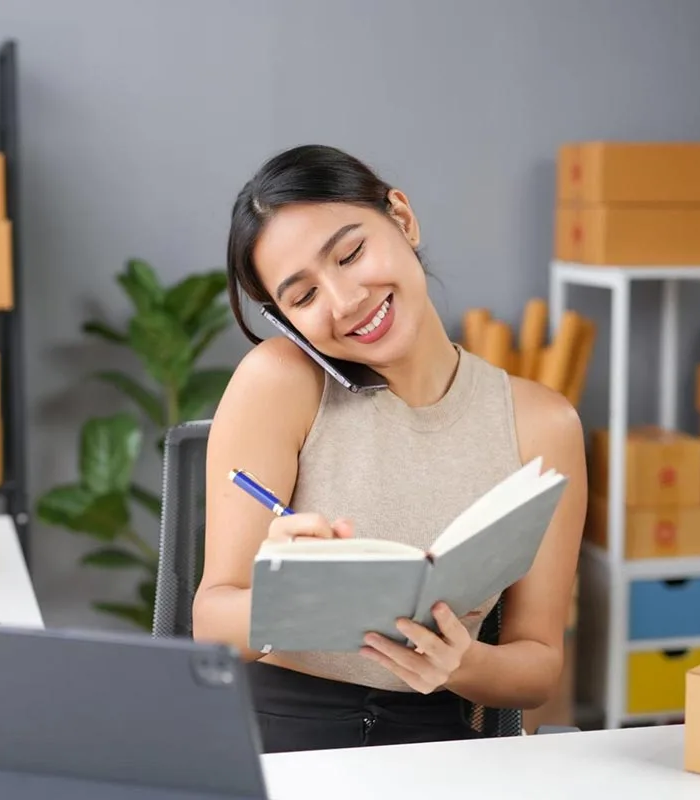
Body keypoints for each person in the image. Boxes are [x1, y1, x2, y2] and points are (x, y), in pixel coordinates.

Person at [191, 144, 587, 754]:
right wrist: (285, 598)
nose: (345, 300)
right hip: (275, 736)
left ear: (401, 218)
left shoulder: (543, 423)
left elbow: (538, 666)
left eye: (350, 254)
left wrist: (462, 664)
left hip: (434, 743)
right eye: (303, 297)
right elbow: (210, 624)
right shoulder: (279, 381)